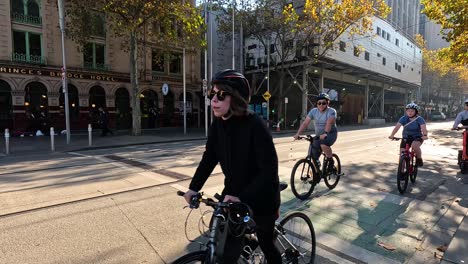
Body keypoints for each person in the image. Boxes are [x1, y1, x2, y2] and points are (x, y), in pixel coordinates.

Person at [182, 69, 282, 264]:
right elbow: (209, 157)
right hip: (234, 192)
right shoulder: (217, 124)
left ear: (235, 98)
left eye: (221, 95)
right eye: (212, 95)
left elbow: (269, 172)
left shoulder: (255, 125)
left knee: (266, 243)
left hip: (262, 197)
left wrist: (241, 197)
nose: (214, 101)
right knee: (226, 249)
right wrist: (194, 188)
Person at [293, 92, 338, 171]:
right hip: (318, 136)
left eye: (323, 103)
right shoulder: (313, 111)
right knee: (312, 156)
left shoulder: (331, 111)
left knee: (323, 144)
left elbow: (329, 122)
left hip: (330, 134)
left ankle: (331, 161)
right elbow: (305, 123)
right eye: (319, 103)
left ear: (328, 103)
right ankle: (317, 174)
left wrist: (325, 133)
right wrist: (298, 133)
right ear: (317, 104)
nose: (321, 105)